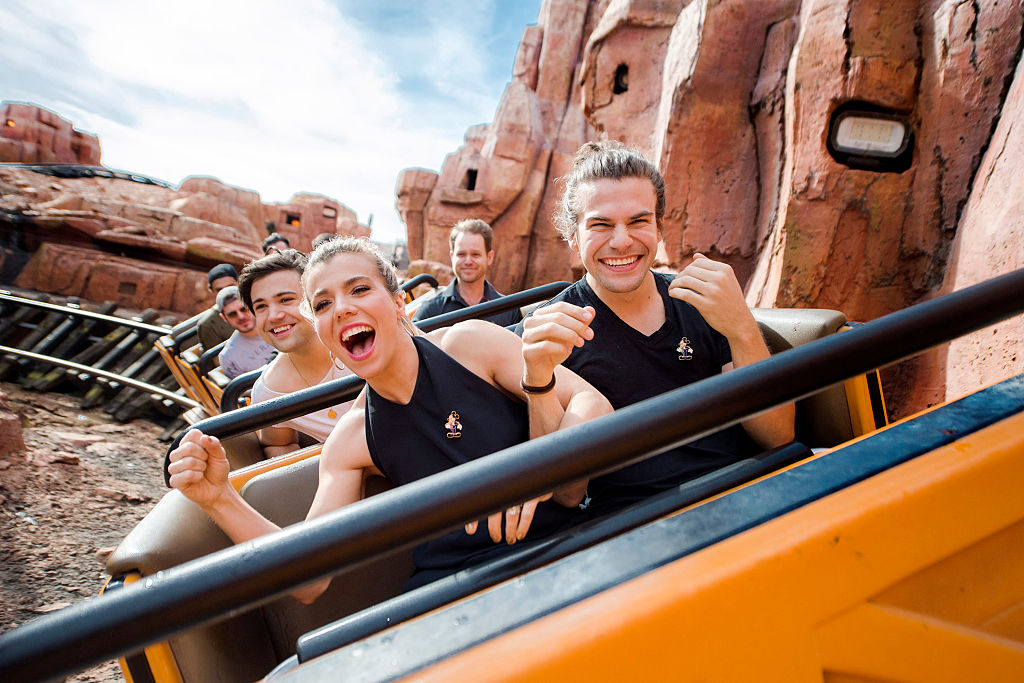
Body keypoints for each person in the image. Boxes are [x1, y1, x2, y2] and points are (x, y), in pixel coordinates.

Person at [168, 236, 611, 598]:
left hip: (561, 554)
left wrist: (535, 468)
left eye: (359, 290)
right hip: (453, 591)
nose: (341, 308)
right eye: (322, 305)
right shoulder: (351, 440)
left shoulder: (469, 345)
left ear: (399, 303)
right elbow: (309, 580)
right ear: (322, 331)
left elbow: (591, 403)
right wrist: (218, 499)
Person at [515, 141, 796, 517]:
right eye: (600, 224)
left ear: (659, 228)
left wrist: (742, 328)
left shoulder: (699, 301)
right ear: (572, 236)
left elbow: (778, 435)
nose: (621, 241)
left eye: (638, 221)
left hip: (750, 492)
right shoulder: (552, 329)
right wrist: (539, 378)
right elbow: (564, 494)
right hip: (638, 525)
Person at [237, 250, 354, 457]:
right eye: (261, 306)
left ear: (315, 298)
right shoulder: (270, 391)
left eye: (285, 300)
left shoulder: (361, 341)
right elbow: (278, 445)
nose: (274, 316)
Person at [411, 219, 522, 327]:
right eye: (461, 254)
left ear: (489, 257)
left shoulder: (508, 309)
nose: (468, 261)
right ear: (452, 256)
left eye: (475, 254)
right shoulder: (430, 311)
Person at [216, 286, 277, 379]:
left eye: (243, 309)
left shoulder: (279, 323)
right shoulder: (228, 358)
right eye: (232, 314)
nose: (240, 316)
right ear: (224, 318)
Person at [196, 264, 238, 350]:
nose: (226, 293)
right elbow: (218, 361)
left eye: (230, 287)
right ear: (211, 291)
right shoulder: (207, 324)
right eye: (219, 290)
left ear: (238, 283)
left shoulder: (255, 305)